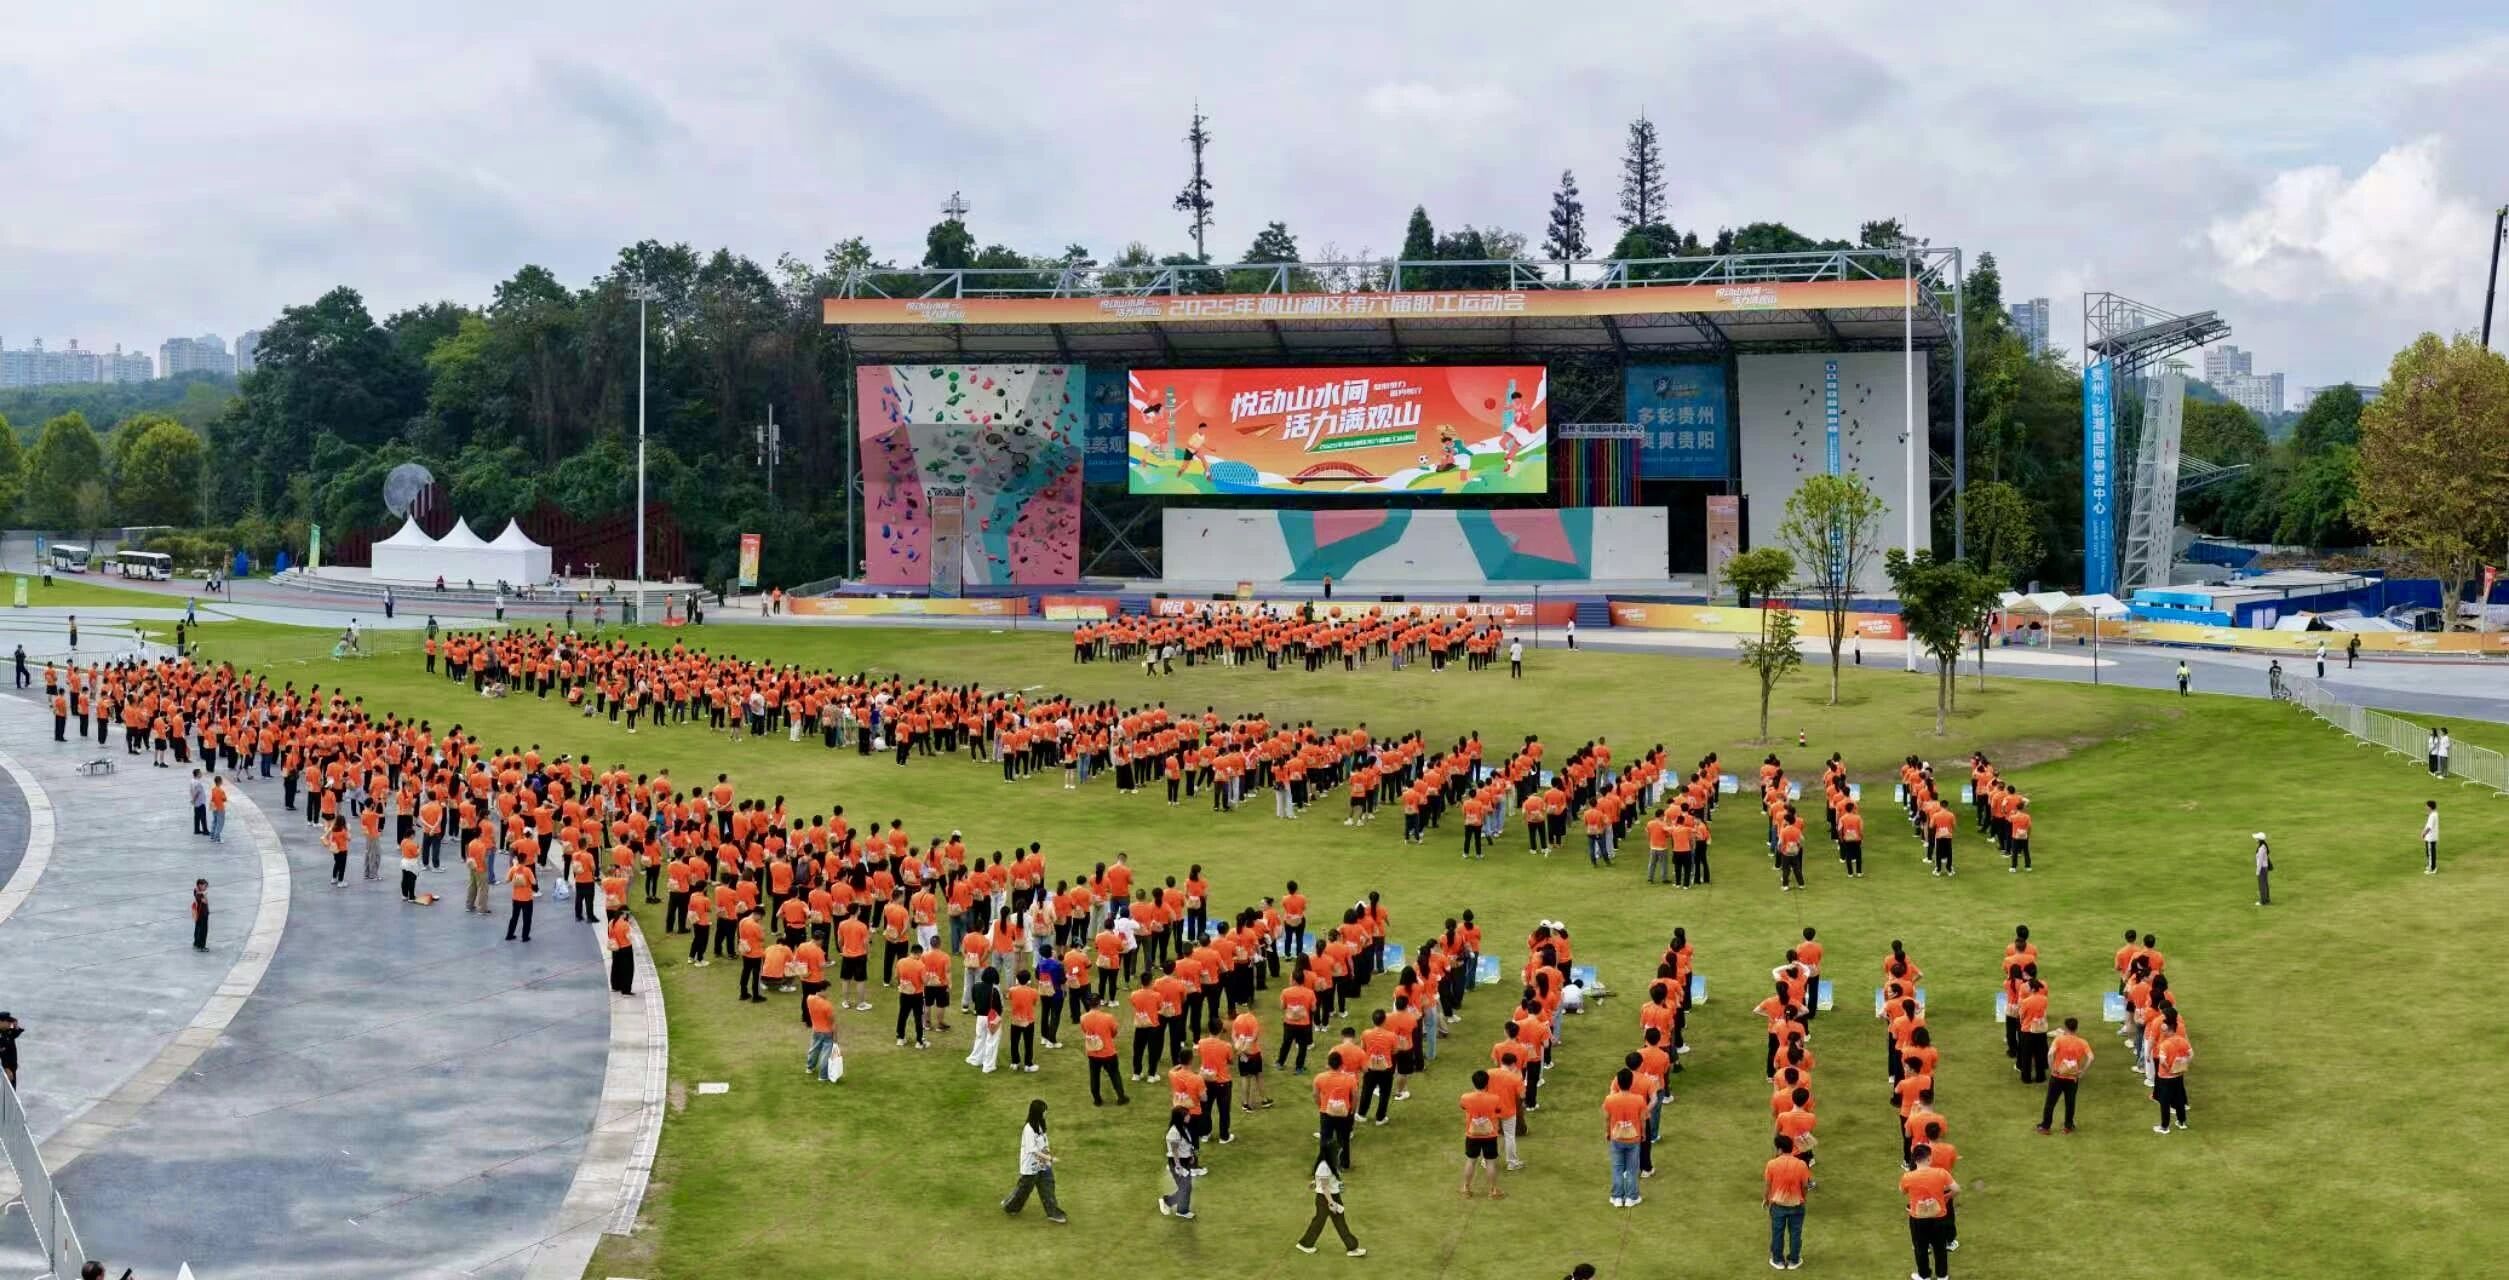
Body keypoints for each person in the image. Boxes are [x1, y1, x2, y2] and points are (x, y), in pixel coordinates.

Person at [1000, 1099, 1068, 1224]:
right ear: (1037, 1112)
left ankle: (1053, 1212)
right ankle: (1010, 1206)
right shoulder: (1028, 1129)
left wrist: (1047, 1159)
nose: (1046, 1113)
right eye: (1044, 1111)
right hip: (1031, 1167)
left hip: (1043, 1165)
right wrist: (1050, 1158)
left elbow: (1044, 1143)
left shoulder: (1041, 1124)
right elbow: (1033, 1150)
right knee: (1024, 1189)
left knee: (1048, 1187)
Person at [1901, 1143, 1958, 1279]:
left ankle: (1924, 1276)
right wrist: (1946, 1197)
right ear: (1929, 1158)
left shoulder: (1908, 1177)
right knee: (1939, 1248)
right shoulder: (1941, 1173)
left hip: (1918, 1218)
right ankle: (1942, 1276)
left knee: (1920, 1248)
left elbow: (1902, 1191)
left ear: (1915, 1160)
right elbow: (1956, 1189)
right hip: (1939, 1216)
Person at [1294, 1154, 1365, 1256]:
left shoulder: (1331, 1162)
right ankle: (1305, 1244)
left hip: (1332, 1196)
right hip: (1326, 1198)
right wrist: (1331, 1203)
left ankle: (1352, 1247)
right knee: (1321, 1221)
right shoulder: (1324, 1166)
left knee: (1335, 1221)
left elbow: (1326, 1178)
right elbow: (1325, 1187)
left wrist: (1315, 1182)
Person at [2038, 1016, 2092, 1133]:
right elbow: (2091, 1058)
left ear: (2065, 1028)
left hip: (2057, 1076)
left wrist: (2052, 1068)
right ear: (2076, 1028)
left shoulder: (2059, 1040)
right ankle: (2068, 1126)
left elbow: (2050, 1054)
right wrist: (2082, 1071)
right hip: (2072, 1078)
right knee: (2070, 1103)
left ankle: (2045, 1127)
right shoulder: (2082, 1042)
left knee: (2050, 1103)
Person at [1766, 1133, 1811, 1271]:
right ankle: (1794, 1260)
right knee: (1796, 1232)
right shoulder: (1802, 1164)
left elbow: (1768, 1184)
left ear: (1779, 1149)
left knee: (1777, 1232)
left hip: (1778, 1205)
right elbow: (1805, 1186)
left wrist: (1766, 1199)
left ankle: (1778, 1260)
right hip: (1797, 1204)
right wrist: (1803, 1198)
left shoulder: (1772, 1164)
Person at [1603, 1067, 1646, 1208]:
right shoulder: (1639, 1099)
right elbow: (1642, 1120)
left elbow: (1607, 1118)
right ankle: (1631, 1197)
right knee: (1632, 1169)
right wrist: (1643, 1134)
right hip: (1634, 1139)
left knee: (1617, 1167)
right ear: (1631, 1082)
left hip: (1617, 1137)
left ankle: (1617, 1197)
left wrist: (1607, 1132)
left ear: (1618, 1083)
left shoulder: (1610, 1099)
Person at [1461, 1070, 1505, 1199]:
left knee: (1471, 1161)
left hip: (1472, 1135)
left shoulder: (1465, 1097)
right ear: (1487, 1083)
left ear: (1473, 1083)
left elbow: (1463, 1107)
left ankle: (1466, 1188)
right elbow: (1499, 1111)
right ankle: (1493, 1190)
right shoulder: (1495, 1098)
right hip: (1489, 1135)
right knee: (1490, 1162)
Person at [2152, 1012, 2192, 1134]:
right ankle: (2182, 1122)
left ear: (2169, 1030)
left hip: (2165, 1077)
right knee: (2179, 1098)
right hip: (2178, 1075)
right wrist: (2183, 1065)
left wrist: (2169, 1068)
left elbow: (2163, 1061)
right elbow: (2191, 1055)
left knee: (2165, 1102)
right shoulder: (2183, 1041)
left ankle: (2164, 1127)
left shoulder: (2165, 1044)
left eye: (2164, 1029)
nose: (2163, 1031)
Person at [1158, 1106, 1200, 1219]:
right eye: (1186, 1115)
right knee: (1185, 1187)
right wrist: (1178, 1166)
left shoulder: (1183, 1127)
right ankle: (1170, 1203)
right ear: (1180, 1118)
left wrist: (1191, 1155)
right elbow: (1175, 1150)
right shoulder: (1174, 1132)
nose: (1189, 1116)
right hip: (1179, 1163)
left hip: (1185, 1161)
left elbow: (1185, 1144)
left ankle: (1180, 1209)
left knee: (1186, 1187)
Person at [608, 911, 636, 996]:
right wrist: (632, 929)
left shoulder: (611, 922)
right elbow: (628, 937)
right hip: (625, 948)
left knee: (616, 967)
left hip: (615, 948)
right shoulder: (625, 924)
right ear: (623, 914)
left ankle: (615, 986)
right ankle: (626, 990)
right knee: (627, 969)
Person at [2254, 832, 2273, 906]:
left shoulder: (2262, 848)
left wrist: (2257, 871)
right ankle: (2267, 899)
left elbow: (2260, 861)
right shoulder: (2263, 846)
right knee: (2265, 884)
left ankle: (2263, 901)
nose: (2256, 839)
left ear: (2259, 839)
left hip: (2262, 868)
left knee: (2262, 885)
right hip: (2264, 868)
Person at [0, 1011, 18, 1087]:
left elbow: (14, 1033)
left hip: (11, 1068)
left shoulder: (6, 1031)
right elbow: (2, 1054)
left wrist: (15, 1025)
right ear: (1, 1022)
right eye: (7, 1021)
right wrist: (6, 1069)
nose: (9, 1023)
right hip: (6, 1071)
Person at [191, 878, 210, 950]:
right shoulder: (200, 894)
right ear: (200, 885)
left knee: (198, 929)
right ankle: (201, 946)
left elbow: (196, 891)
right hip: (202, 914)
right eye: (205, 886)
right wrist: (204, 895)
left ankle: (196, 943)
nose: (206, 888)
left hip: (198, 915)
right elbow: (205, 902)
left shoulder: (196, 891)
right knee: (203, 931)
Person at [2422, 800, 2439, 875]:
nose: (2426, 807)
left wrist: (2424, 834)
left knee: (2430, 853)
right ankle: (2431, 866)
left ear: (2430, 807)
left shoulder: (2432, 816)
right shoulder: (2434, 814)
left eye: (2427, 806)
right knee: (2430, 852)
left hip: (2430, 837)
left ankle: (2432, 869)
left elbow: (2429, 827)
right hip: (2433, 837)